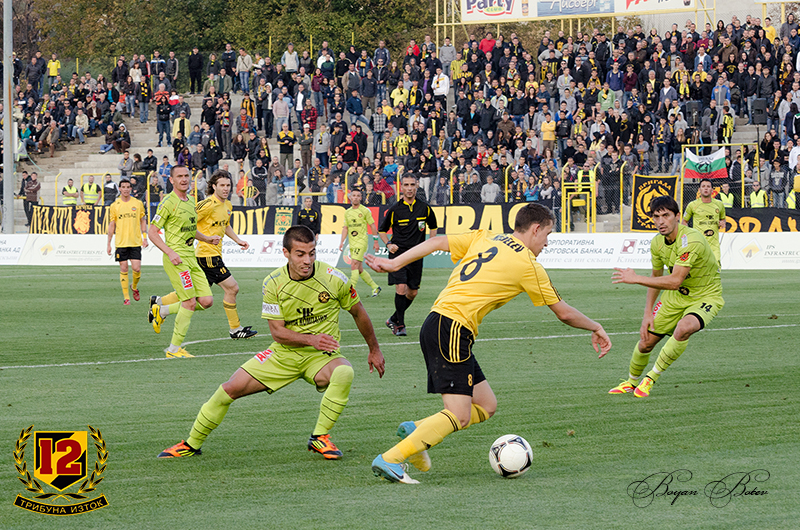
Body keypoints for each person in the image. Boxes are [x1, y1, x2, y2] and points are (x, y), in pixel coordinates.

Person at [367, 203, 611, 484]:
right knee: (459, 415)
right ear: (535, 229)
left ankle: (416, 430)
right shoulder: (528, 265)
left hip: (441, 323)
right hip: (452, 329)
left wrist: (394, 263)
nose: (547, 243)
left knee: (486, 404)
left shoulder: (487, 236)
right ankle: (391, 458)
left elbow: (436, 241)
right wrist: (596, 326)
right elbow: (564, 313)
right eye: (547, 235)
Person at [157, 225, 386, 460]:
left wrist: (374, 349)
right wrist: (312, 339)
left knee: (344, 371)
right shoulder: (273, 283)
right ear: (286, 253)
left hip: (321, 357)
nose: (307, 260)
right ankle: (191, 444)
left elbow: (358, 312)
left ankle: (319, 437)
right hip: (282, 354)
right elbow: (278, 332)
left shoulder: (334, 278)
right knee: (228, 389)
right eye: (300, 254)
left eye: (312, 253)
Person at [609, 195, 723, 398]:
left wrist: (636, 278)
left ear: (677, 216)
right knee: (645, 342)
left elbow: (675, 280)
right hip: (674, 297)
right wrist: (647, 314)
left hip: (705, 296)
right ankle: (631, 382)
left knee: (684, 328)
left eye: (666, 215)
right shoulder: (657, 243)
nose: (661, 221)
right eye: (656, 216)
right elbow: (656, 277)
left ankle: (650, 378)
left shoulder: (691, 240)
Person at [150, 170, 258, 340]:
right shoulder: (207, 204)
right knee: (232, 288)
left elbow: (225, 225)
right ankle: (235, 329)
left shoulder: (227, 205)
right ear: (214, 186)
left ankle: (160, 304)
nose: (226, 188)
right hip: (206, 255)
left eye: (228, 185)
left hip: (213, 253)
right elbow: (189, 222)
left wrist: (237, 240)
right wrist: (199, 240)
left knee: (198, 297)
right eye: (222, 185)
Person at [147, 165, 221, 358]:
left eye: (186, 176)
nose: (184, 179)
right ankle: (173, 350)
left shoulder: (191, 201)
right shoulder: (168, 202)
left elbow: (189, 229)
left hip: (190, 257)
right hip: (176, 259)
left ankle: (162, 310)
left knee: (206, 301)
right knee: (189, 302)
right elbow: (152, 232)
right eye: (179, 176)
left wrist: (207, 239)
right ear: (171, 180)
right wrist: (170, 252)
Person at [377, 174, 438, 336]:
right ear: (401, 187)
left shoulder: (424, 208)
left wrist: (431, 244)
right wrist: (388, 244)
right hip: (398, 255)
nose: (409, 188)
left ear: (417, 186)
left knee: (412, 293)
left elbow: (433, 226)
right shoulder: (395, 209)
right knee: (401, 287)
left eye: (412, 185)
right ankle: (400, 325)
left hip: (416, 255)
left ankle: (394, 318)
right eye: (406, 185)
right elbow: (382, 230)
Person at [107, 179, 148, 305]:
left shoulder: (138, 203)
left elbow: (143, 220)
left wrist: (145, 237)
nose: (125, 189)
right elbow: (112, 225)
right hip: (121, 242)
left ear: (131, 188)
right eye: (123, 187)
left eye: (128, 187)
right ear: (119, 189)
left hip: (135, 241)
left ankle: (134, 287)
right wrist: (108, 243)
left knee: (137, 268)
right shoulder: (115, 205)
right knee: (124, 268)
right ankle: (126, 298)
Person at [339, 188, 382, 296]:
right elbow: (345, 228)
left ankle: (351, 290)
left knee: (354, 264)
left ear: (361, 198)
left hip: (361, 242)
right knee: (359, 269)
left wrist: (375, 241)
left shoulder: (365, 210)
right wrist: (342, 242)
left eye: (358, 196)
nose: (356, 198)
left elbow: (372, 225)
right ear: (350, 197)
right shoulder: (348, 212)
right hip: (352, 242)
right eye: (354, 195)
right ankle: (375, 287)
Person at [682, 178, 726, 263]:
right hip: (698, 244)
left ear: (712, 190)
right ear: (699, 189)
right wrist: (689, 235)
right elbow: (684, 222)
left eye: (708, 187)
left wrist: (722, 223)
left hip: (714, 246)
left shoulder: (719, 204)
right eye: (703, 186)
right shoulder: (692, 205)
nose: (706, 188)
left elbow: (723, 220)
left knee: (716, 268)